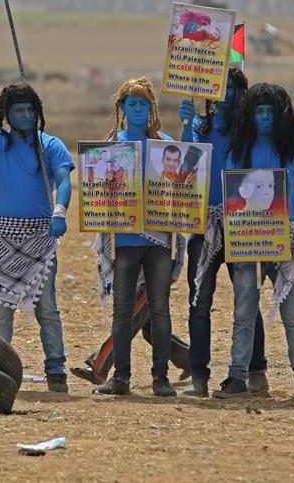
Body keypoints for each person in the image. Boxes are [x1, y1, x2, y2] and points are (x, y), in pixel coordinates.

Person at [0, 63, 74, 393]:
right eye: (17, 110)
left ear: (37, 112)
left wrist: (59, 211)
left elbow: (65, 181)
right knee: (1, 307)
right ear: (6, 115)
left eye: (29, 109)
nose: (24, 115)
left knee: (47, 308)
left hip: (42, 234)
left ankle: (56, 370)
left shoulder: (50, 146)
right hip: (4, 237)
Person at [214, 82, 294, 399]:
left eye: (269, 112)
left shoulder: (293, 150)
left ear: (280, 115)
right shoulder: (237, 151)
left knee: (291, 312)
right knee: (243, 310)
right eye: (258, 111)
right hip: (246, 237)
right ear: (249, 115)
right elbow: (233, 197)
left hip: (284, 239)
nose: (264, 118)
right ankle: (237, 377)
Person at [178, 67, 270, 398]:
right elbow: (188, 165)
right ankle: (199, 376)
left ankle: (256, 371)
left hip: (242, 221)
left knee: (247, 300)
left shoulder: (248, 131)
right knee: (199, 301)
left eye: (232, 87)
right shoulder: (203, 127)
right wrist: (186, 124)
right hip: (204, 224)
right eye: (221, 87)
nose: (226, 93)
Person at [89, 77, 182, 397]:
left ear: (152, 108)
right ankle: (122, 378)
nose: (139, 110)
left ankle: (161, 379)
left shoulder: (166, 145)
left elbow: (182, 189)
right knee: (123, 310)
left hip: (158, 240)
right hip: (126, 240)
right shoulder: (112, 146)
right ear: (122, 108)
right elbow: (99, 191)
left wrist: (192, 129)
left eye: (144, 104)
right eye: (133, 104)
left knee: (159, 309)